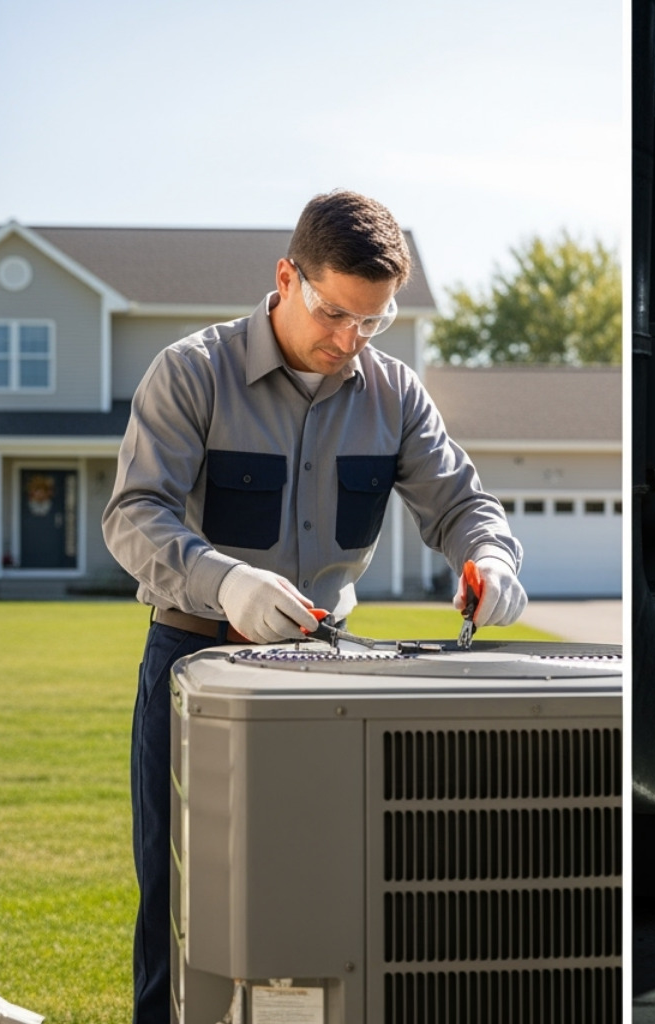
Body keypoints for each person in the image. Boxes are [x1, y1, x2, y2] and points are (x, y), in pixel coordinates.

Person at [102, 189, 526, 1020]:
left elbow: (463, 506)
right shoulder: (193, 372)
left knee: (340, 891)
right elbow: (133, 515)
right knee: (180, 897)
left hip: (329, 676)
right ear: (286, 276)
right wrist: (224, 579)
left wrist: (489, 556)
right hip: (194, 662)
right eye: (334, 313)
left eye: (373, 322)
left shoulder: (394, 394)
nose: (349, 340)